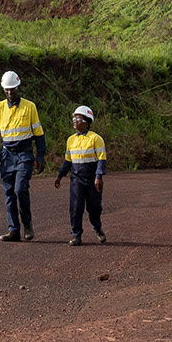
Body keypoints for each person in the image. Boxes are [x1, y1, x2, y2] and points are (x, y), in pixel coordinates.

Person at [0, 70, 45, 241]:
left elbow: (39, 134)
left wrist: (40, 157)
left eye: (13, 89)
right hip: (6, 155)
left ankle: (27, 224)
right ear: (4, 90)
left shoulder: (29, 106)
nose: (10, 93)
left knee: (20, 190)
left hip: (24, 154)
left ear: (19, 87)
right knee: (9, 193)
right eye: (7, 90)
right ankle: (13, 229)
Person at [53, 104, 107, 246]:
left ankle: (97, 228)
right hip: (77, 179)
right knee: (76, 207)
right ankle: (76, 235)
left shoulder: (96, 139)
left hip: (92, 179)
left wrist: (99, 176)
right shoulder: (71, 140)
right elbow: (68, 161)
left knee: (94, 208)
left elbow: (101, 159)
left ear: (87, 122)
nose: (75, 121)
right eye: (74, 118)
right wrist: (60, 175)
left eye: (79, 118)